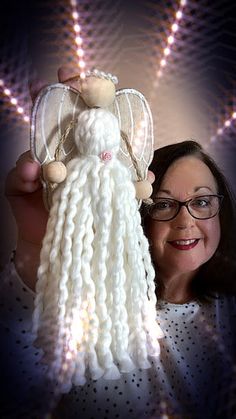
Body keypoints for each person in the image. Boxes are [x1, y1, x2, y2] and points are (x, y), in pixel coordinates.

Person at [1, 84, 236, 419]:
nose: (186, 220)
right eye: (165, 204)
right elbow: (16, 374)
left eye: (201, 201)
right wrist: (34, 250)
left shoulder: (229, 310)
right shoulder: (94, 317)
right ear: (138, 215)